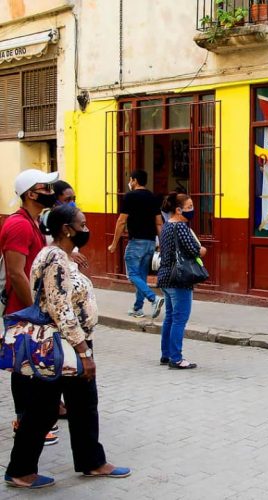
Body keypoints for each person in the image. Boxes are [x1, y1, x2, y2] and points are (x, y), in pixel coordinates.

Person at [5, 204, 130, 489]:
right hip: (63, 345)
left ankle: (92, 461)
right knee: (42, 409)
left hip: (70, 343)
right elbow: (61, 309)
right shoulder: (55, 260)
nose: (86, 229)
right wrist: (84, 351)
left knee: (84, 404)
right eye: (82, 224)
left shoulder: (61, 256)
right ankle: (20, 471)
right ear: (66, 229)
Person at [0, 169, 61, 448]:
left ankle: (31, 420)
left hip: (29, 310)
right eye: (44, 186)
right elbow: (16, 273)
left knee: (33, 369)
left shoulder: (33, 222)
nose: (51, 190)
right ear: (31, 193)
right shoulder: (19, 225)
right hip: (21, 311)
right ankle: (24, 422)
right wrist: (32, 310)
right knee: (24, 371)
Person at [157, 193, 206, 369]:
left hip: (165, 278)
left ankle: (166, 354)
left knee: (169, 318)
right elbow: (194, 250)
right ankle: (176, 358)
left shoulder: (167, 227)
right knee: (179, 319)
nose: (192, 210)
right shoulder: (181, 227)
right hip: (180, 280)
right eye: (189, 206)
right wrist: (202, 250)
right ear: (178, 210)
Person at [108, 170, 165, 319]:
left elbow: (121, 221)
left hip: (136, 242)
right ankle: (137, 308)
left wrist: (114, 244)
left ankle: (153, 298)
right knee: (141, 275)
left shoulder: (130, 197)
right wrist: (162, 243)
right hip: (150, 242)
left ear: (134, 180)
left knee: (132, 274)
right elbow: (159, 223)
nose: (130, 182)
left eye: (130, 180)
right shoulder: (152, 198)